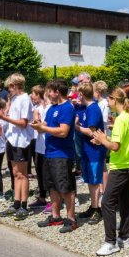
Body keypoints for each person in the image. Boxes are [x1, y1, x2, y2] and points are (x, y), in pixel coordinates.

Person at [92, 88, 129, 256]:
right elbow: (122, 142)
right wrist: (104, 140)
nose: (108, 102)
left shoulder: (121, 119)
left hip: (120, 167)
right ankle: (125, 237)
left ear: (114, 100)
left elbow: (116, 146)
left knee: (107, 203)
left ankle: (110, 241)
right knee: (124, 202)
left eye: (109, 99)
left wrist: (104, 140)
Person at [31, 79, 78, 233]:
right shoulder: (51, 108)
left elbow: (63, 131)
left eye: (50, 91)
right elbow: (44, 127)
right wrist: (38, 126)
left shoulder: (67, 108)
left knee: (65, 187)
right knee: (52, 186)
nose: (48, 94)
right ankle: (55, 216)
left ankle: (71, 219)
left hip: (62, 154)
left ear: (57, 92)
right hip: (49, 152)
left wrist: (44, 127)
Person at [0, 73, 34, 221]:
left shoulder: (25, 99)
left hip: (21, 141)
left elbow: (23, 122)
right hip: (12, 140)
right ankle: (16, 202)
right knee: (15, 172)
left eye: (9, 87)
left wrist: (4, 117)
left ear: (14, 86)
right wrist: (3, 112)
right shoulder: (14, 99)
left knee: (22, 174)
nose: (8, 90)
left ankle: (23, 205)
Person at [75, 82, 106, 225]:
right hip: (87, 150)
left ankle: (97, 209)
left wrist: (76, 127)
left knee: (95, 181)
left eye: (77, 93)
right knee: (89, 180)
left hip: (94, 151)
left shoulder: (93, 109)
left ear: (81, 94)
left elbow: (92, 132)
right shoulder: (87, 108)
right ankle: (93, 206)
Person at [28, 85, 50, 211]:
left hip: (48, 144)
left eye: (33, 94)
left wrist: (39, 124)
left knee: (49, 173)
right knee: (39, 171)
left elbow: (41, 126)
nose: (32, 96)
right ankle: (42, 197)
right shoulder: (37, 108)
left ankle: (55, 199)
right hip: (39, 144)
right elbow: (38, 124)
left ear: (39, 94)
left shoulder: (49, 108)